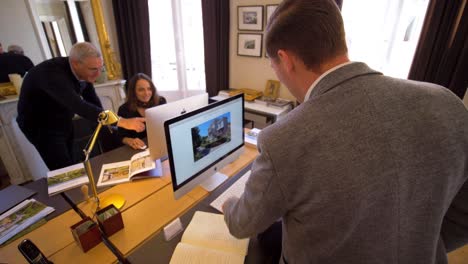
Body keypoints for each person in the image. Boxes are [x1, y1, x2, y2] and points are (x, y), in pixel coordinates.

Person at [222, 1, 468, 263]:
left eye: (274, 67)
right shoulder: (447, 103)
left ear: (285, 59)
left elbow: (242, 225)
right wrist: (417, 245)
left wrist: (229, 204)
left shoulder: (284, 138)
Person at [17, 42, 146, 170]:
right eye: (93, 69)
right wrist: (121, 121)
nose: (98, 74)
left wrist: (111, 128)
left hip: (62, 119)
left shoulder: (84, 72)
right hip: (40, 126)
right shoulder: (51, 74)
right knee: (62, 169)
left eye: (100, 68)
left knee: (71, 161)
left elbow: (94, 103)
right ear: (75, 64)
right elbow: (80, 106)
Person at [117, 73, 166, 150]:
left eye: (149, 89)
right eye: (141, 90)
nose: (146, 93)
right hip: (139, 149)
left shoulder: (160, 101)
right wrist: (130, 141)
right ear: (133, 92)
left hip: (160, 144)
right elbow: (121, 136)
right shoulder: (124, 109)